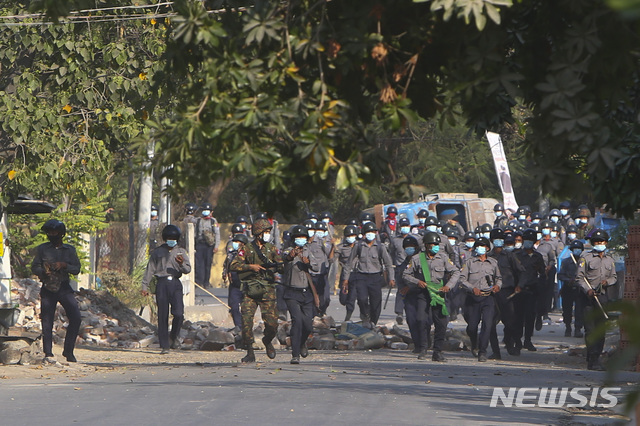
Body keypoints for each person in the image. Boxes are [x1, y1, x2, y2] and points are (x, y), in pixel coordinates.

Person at [230, 218, 284, 363]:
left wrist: (279, 264)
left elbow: (281, 266)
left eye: (268, 231)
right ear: (258, 233)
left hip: (267, 289)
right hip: (250, 289)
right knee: (246, 322)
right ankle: (249, 351)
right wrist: (250, 267)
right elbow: (234, 265)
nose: (267, 234)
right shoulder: (246, 249)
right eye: (265, 231)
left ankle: (267, 341)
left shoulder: (272, 249)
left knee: (272, 324)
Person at [402, 232, 460, 361]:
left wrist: (448, 286)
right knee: (421, 320)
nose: (435, 247)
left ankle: (437, 351)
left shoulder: (443, 258)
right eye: (433, 244)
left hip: (438, 293)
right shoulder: (417, 259)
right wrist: (418, 282)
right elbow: (405, 274)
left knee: (441, 323)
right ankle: (423, 348)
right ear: (427, 245)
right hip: (423, 293)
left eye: (437, 245)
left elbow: (455, 272)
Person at [31, 220, 82, 363]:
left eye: (54, 233)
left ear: (61, 234)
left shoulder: (70, 250)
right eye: (49, 233)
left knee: (76, 318)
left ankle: (68, 351)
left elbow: (77, 269)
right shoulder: (42, 249)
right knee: (47, 321)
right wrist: (43, 271)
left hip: (64, 287)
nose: (52, 235)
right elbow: (34, 267)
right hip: (48, 287)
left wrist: (64, 265)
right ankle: (48, 352)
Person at [141, 224, 192, 354]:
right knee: (162, 314)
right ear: (165, 238)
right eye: (169, 238)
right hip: (162, 284)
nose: (171, 240)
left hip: (175, 284)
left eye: (173, 238)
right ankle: (164, 345)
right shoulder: (158, 252)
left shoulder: (181, 252)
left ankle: (174, 337)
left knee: (179, 313)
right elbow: (150, 269)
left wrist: (181, 263)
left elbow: (187, 270)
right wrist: (144, 286)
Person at [576, 229, 616, 371]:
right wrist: (587, 290)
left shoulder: (610, 260)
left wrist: (607, 282)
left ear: (606, 243)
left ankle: (597, 356)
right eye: (597, 242)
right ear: (593, 243)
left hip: (602, 297)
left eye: (602, 242)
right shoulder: (585, 258)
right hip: (588, 298)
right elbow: (579, 278)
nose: (600, 244)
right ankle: (592, 358)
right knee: (590, 329)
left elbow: (614, 277)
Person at [342, 222, 395, 329]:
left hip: (375, 277)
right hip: (361, 276)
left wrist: (391, 278)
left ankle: (373, 322)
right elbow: (349, 263)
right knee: (362, 299)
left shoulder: (380, 247)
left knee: (376, 302)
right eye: (368, 232)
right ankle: (365, 316)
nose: (370, 234)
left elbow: (388, 264)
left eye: (372, 232)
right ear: (364, 234)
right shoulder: (358, 246)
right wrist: (345, 279)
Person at [459, 237, 502, 362]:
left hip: (488, 297)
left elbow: (498, 277)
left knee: (487, 325)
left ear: (488, 248)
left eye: (483, 246)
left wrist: (497, 286)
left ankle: (482, 351)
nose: (480, 248)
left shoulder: (493, 263)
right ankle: (474, 343)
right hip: (473, 298)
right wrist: (472, 289)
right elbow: (462, 279)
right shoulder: (469, 262)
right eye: (478, 246)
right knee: (472, 327)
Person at [282, 225, 320, 364]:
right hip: (292, 292)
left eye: (303, 237)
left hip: (307, 292)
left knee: (308, 325)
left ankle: (302, 342)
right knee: (297, 321)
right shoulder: (288, 250)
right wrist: (289, 258)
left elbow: (317, 266)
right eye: (298, 237)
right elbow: (282, 262)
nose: (300, 239)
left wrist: (308, 263)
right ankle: (295, 353)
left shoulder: (308, 251)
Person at [488, 228, 524, 358]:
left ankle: (511, 343)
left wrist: (519, 285)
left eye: (501, 239)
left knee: (510, 321)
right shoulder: (487, 257)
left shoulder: (510, 256)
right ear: (492, 241)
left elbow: (520, 271)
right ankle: (495, 351)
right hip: (491, 294)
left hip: (507, 293)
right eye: (496, 239)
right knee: (490, 323)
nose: (499, 241)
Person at [513, 229, 546, 354]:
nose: (528, 243)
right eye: (526, 240)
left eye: (530, 241)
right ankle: (517, 341)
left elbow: (542, 273)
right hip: (519, 290)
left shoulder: (538, 257)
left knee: (530, 316)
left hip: (532, 290)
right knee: (518, 317)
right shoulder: (517, 256)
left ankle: (528, 339)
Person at [558, 239, 585, 338]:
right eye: (575, 249)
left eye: (578, 249)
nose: (576, 250)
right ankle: (568, 327)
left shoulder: (584, 262)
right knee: (567, 310)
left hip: (579, 289)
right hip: (568, 289)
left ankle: (578, 328)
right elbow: (560, 275)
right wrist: (568, 280)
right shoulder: (566, 262)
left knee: (579, 310)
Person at [223, 224, 247, 333]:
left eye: (239, 242)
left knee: (246, 309)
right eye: (235, 242)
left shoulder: (249, 256)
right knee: (234, 307)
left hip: (246, 285)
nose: (237, 244)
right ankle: (238, 327)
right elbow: (226, 265)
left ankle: (246, 329)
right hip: (234, 285)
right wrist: (225, 274)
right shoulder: (231, 255)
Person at [194, 202, 220, 288]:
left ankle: (206, 282)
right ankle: (198, 282)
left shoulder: (213, 221)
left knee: (207, 264)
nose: (206, 212)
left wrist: (216, 246)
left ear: (211, 212)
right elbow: (194, 233)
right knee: (198, 264)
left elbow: (217, 233)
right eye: (204, 210)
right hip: (199, 244)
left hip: (209, 245)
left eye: (208, 210)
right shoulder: (198, 221)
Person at [338, 225, 359, 322]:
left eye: (353, 235)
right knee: (343, 299)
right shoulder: (341, 248)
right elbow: (332, 258)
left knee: (352, 297)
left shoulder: (359, 246)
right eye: (349, 235)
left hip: (356, 273)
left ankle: (348, 316)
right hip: (345, 273)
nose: (351, 237)